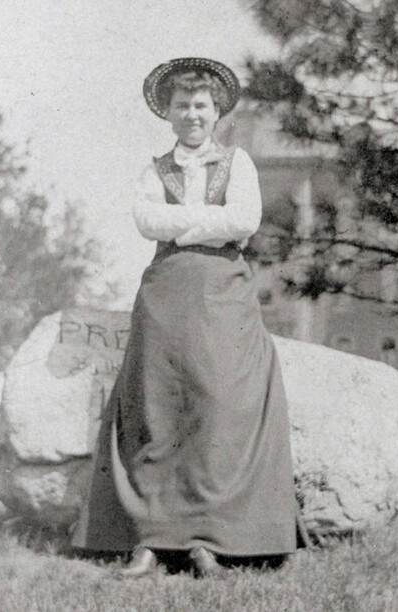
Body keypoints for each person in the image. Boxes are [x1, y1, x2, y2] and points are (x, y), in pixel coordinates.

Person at [71, 57, 297, 578]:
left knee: (219, 405)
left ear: (216, 111)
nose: (192, 115)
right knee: (158, 408)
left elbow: (244, 219)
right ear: (168, 114)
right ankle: (149, 541)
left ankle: (209, 540)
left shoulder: (238, 163)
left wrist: (184, 226)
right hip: (165, 297)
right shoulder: (155, 169)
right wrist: (207, 224)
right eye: (182, 106)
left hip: (222, 296)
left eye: (201, 106)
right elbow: (147, 220)